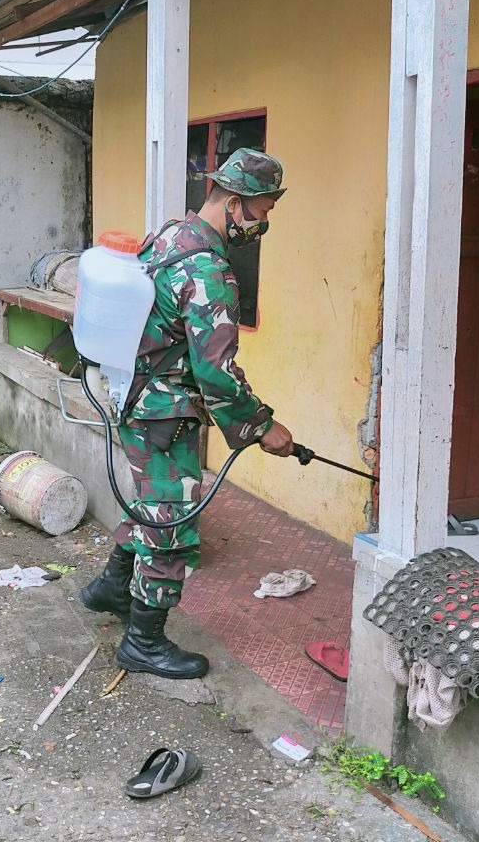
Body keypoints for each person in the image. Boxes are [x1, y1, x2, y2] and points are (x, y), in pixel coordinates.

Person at [78, 148, 294, 680]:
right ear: (237, 202)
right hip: (164, 413)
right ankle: (143, 643)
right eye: (263, 210)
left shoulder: (170, 235)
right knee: (172, 522)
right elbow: (216, 370)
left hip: (131, 396)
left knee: (153, 503)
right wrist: (262, 426)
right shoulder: (208, 268)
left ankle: (110, 588)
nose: (263, 223)